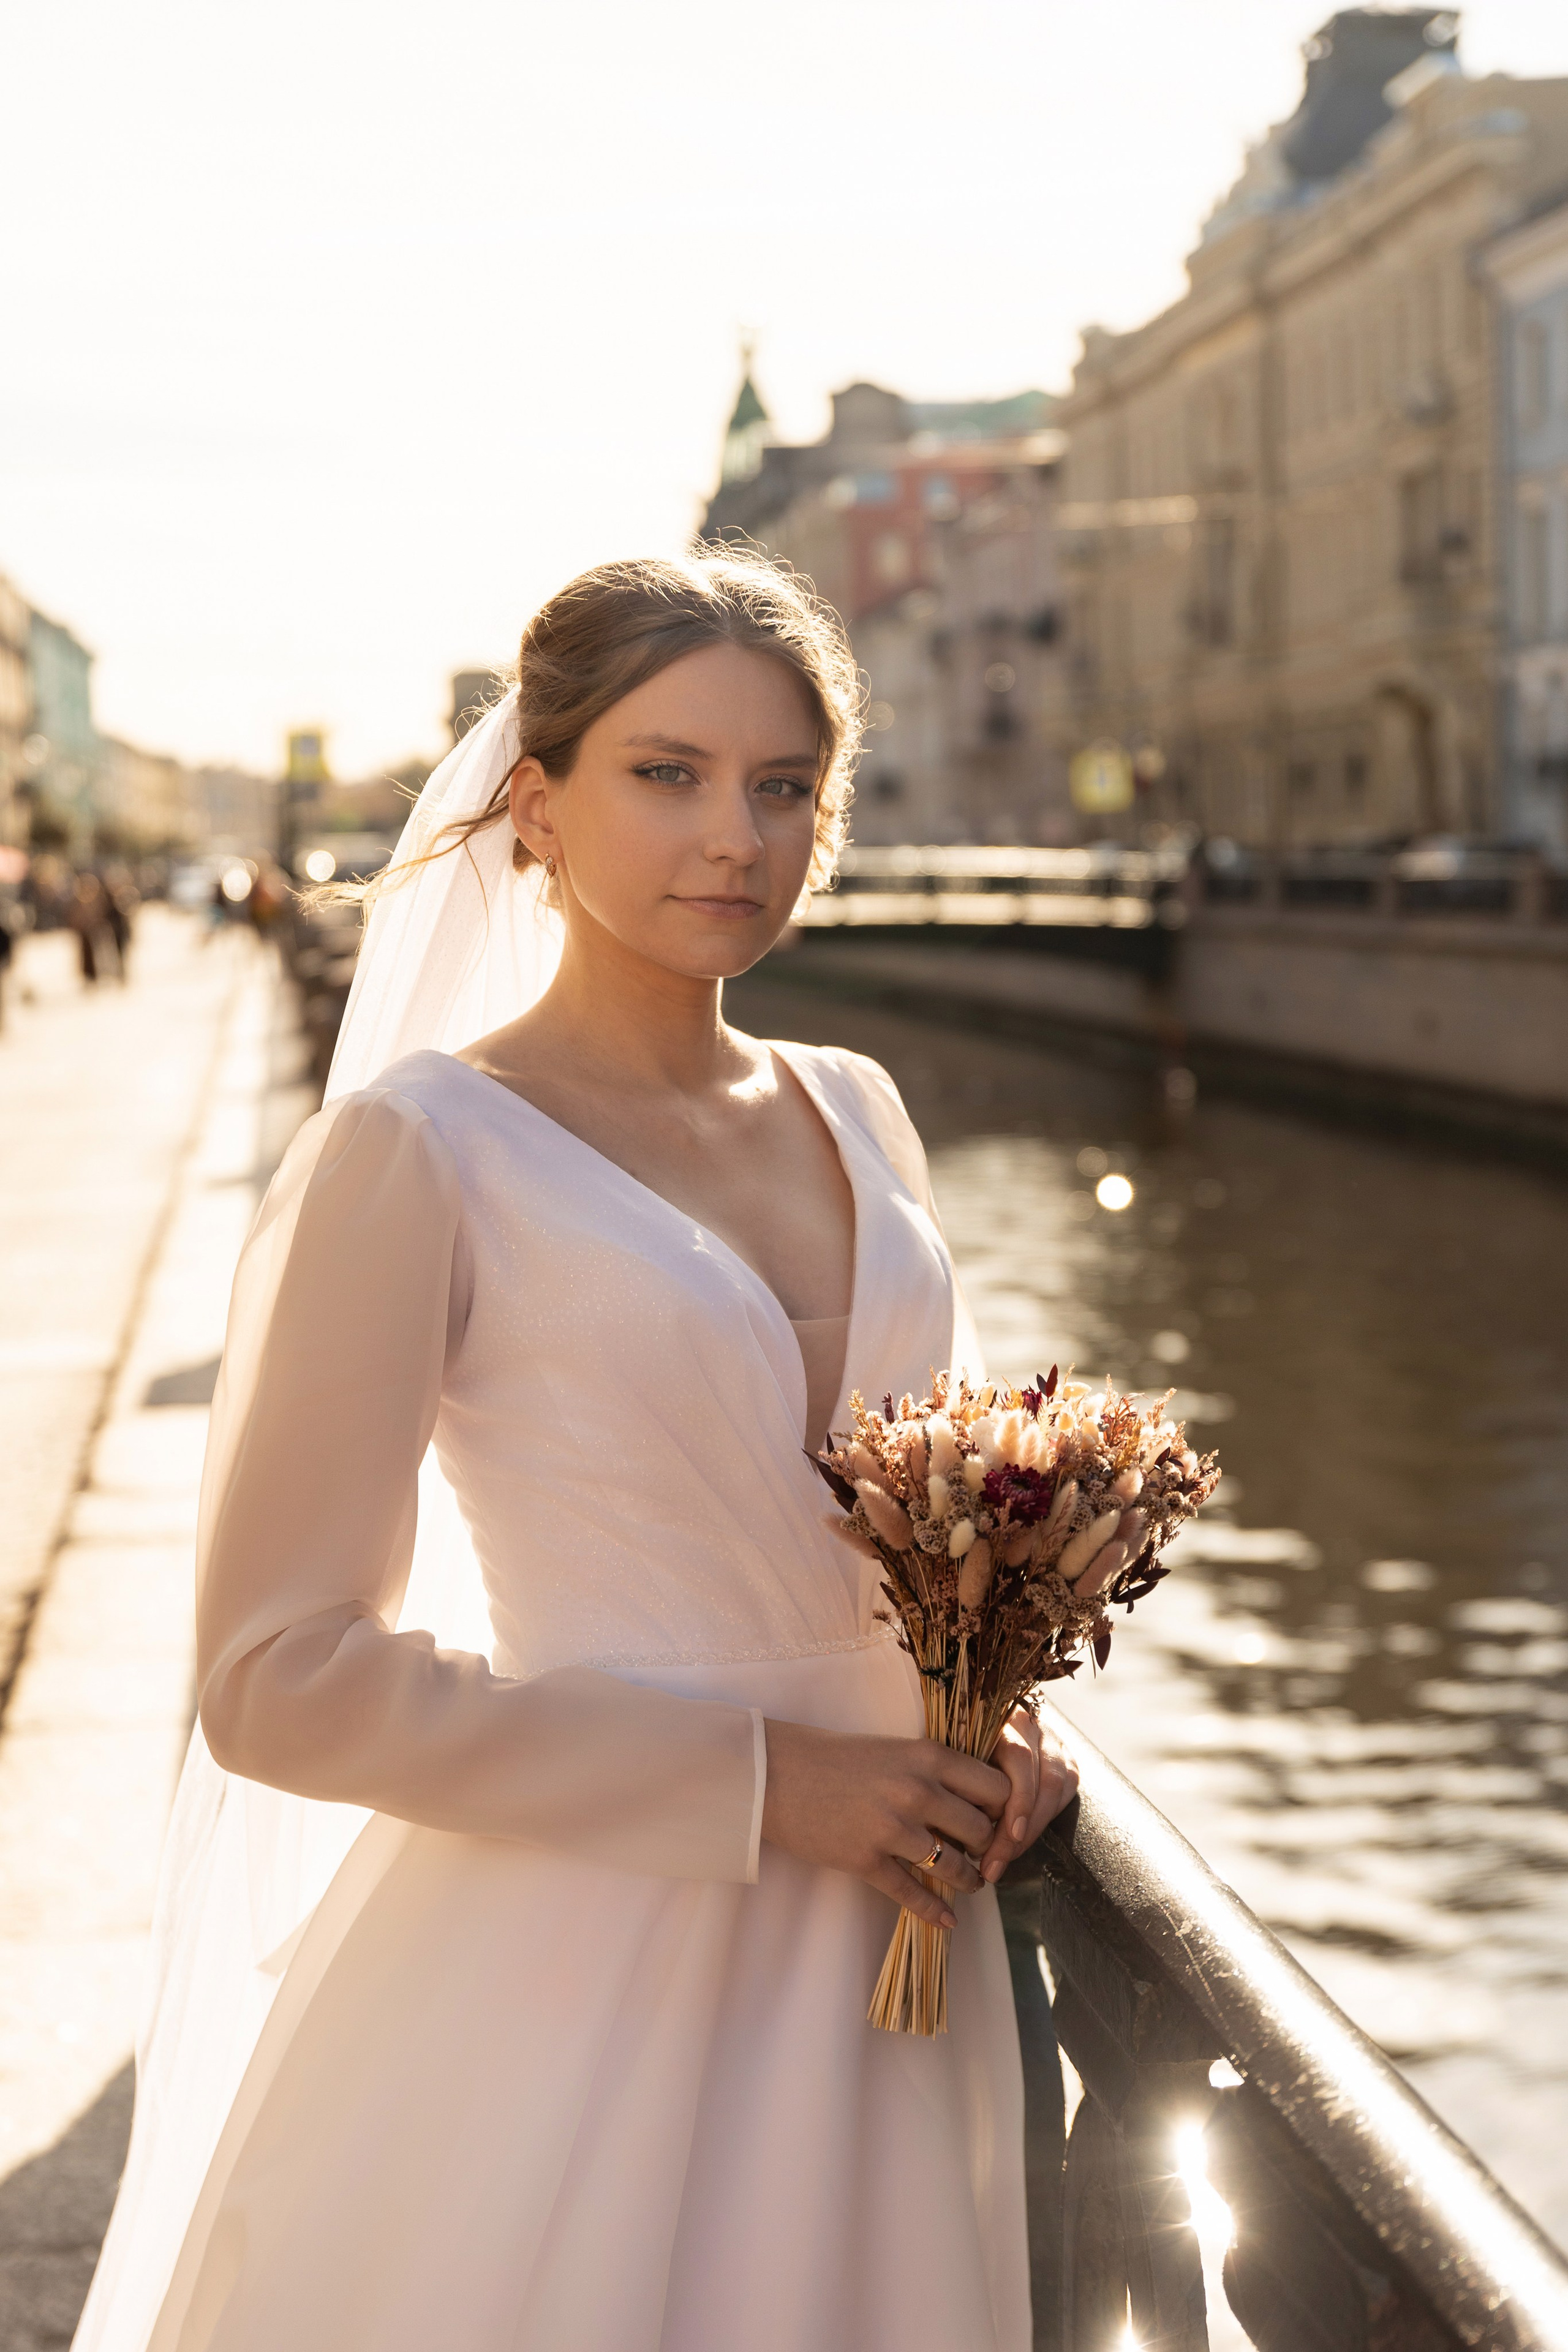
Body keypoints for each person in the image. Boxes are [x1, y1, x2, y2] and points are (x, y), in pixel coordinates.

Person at [75, 551, 1080, 2352]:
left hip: (900, 1963)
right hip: (586, 1973)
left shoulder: (861, 1109)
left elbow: (945, 1539)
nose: (736, 838)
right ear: (536, 805)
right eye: (667, 774)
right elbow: (275, 1679)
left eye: (785, 786)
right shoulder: (422, 1150)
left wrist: (1008, 1730)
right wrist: (772, 1787)